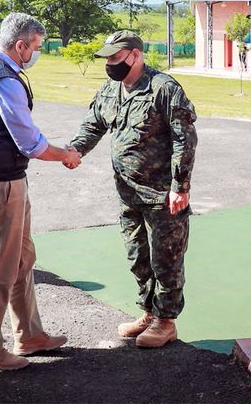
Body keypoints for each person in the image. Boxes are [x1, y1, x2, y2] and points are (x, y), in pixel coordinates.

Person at [0, 13, 79, 371]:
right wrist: (66, 156)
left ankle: (29, 335)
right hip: (0, 185)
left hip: (4, 179)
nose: (37, 54)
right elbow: (29, 142)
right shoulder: (5, 80)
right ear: (20, 46)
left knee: (22, 258)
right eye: (37, 47)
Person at [68, 30, 198, 349]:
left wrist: (180, 185)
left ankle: (165, 321)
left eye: (115, 57)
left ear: (134, 55)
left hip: (162, 196)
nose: (110, 63)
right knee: (137, 255)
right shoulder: (112, 89)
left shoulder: (163, 88)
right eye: (108, 58)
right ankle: (147, 312)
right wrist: (75, 150)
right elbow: (94, 123)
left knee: (165, 259)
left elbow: (185, 138)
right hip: (128, 194)